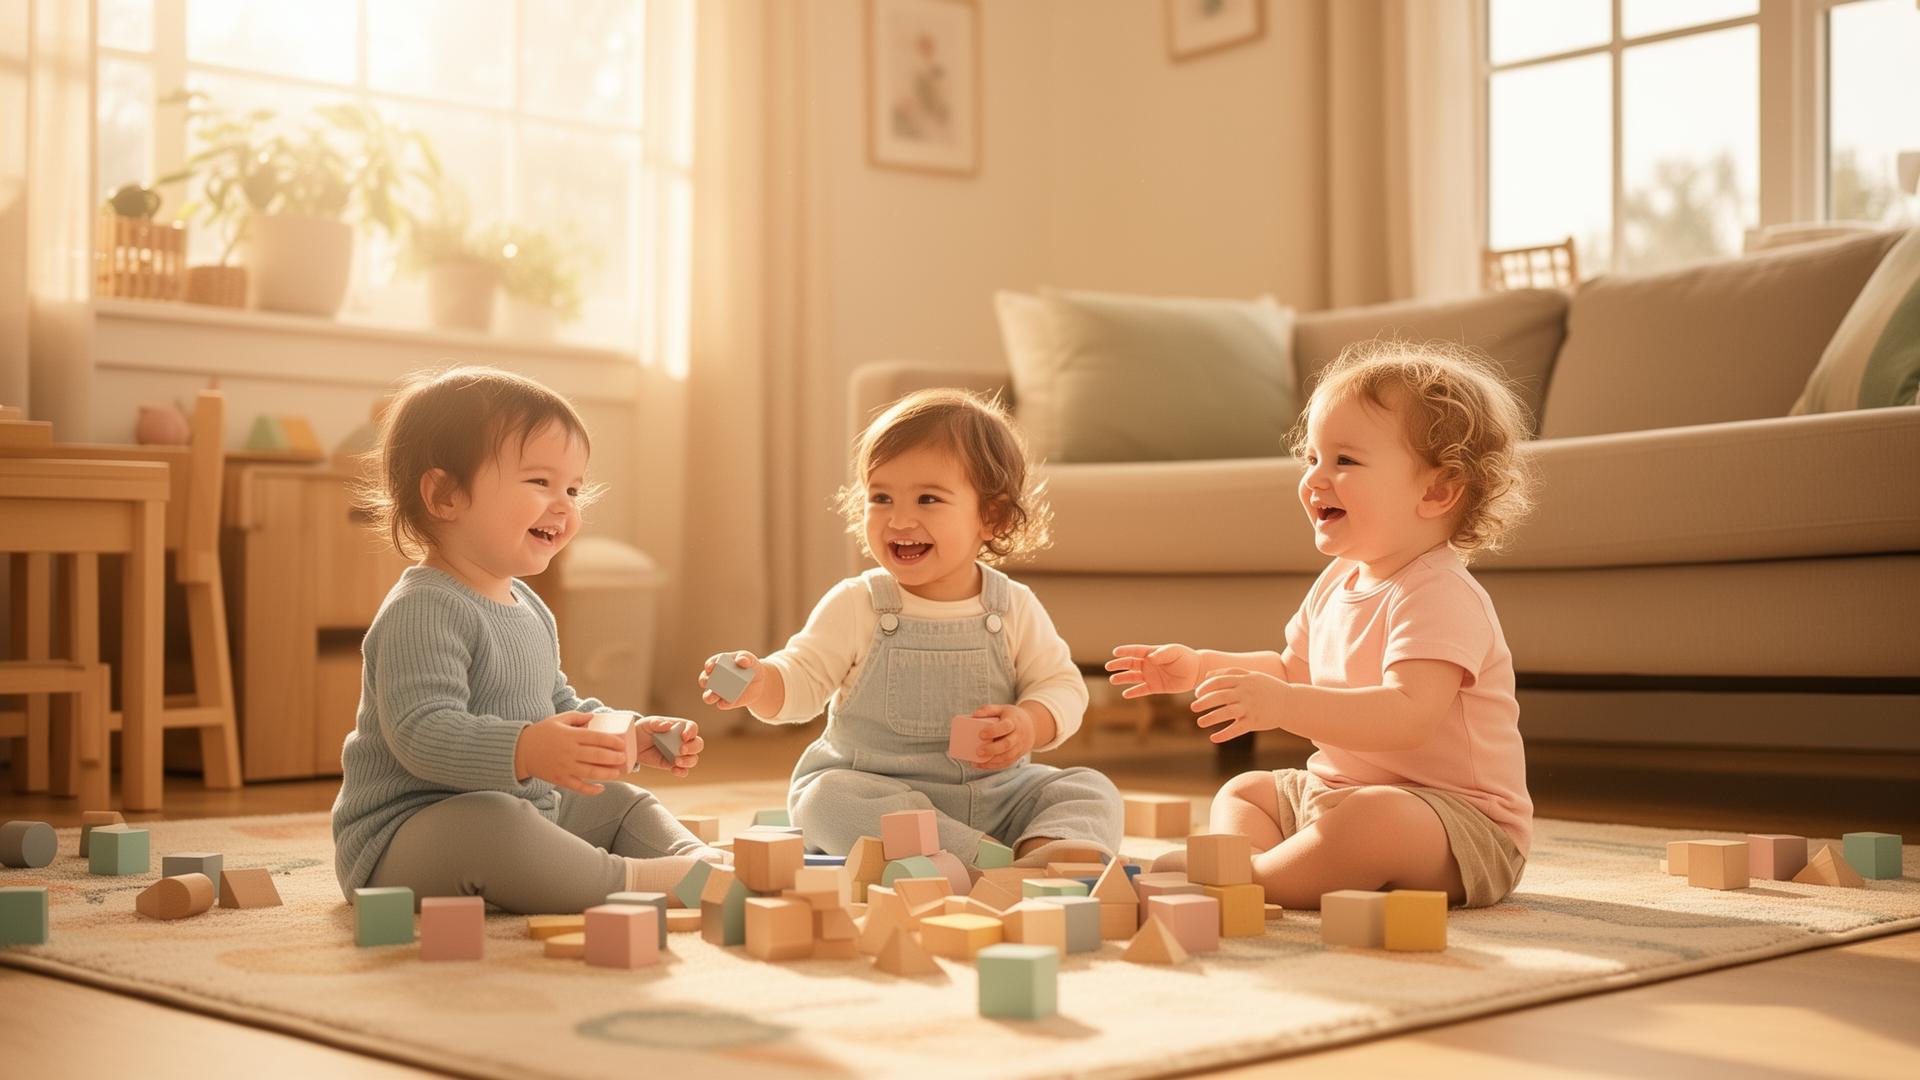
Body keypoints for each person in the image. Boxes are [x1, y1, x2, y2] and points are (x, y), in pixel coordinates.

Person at [1109, 343, 1535, 909]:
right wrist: (1201, 665)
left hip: (1455, 825)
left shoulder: (1441, 594)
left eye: (1345, 462)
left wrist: (1282, 705)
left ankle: (1255, 881)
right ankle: (1260, 867)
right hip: (1334, 795)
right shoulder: (1338, 580)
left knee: (1378, 818)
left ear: (1436, 491)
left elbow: (1407, 717)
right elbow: (1291, 670)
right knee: (1249, 790)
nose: (1315, 479)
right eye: (1312, 458)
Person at [332, 366, 719, 913]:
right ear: (444, 495)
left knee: (619, 800)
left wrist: (624, 735)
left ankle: (702, 863)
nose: (564, 505)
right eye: (540, 482)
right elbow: (422, 733)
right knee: (496, 826)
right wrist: (526, 749)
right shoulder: (421, 608)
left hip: (523, 802)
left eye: (574, 489)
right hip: (406, 839)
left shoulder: (529, 605)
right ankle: (633, 879)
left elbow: (555, 703)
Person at [701, 388, 1122, 866]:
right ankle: (985, 862)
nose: (899, 519)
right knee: (823, 799)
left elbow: (1062, 686)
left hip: (997, 796)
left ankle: (1045, 851)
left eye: (927, 499)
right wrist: (760, 683)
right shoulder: (858, 603)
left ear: (992, 516)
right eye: (881, 497)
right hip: (879, 794)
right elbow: (802, 678)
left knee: (1088, 788)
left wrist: (1029, 722)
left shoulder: (1012, 607)